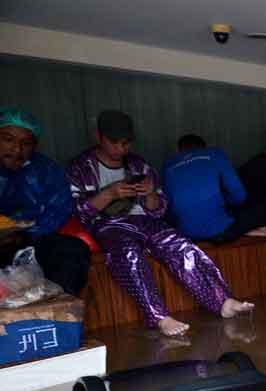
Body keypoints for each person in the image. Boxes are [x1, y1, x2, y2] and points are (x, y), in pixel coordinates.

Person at [66, 110, 253, 337]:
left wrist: (150, 194)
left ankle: (222, 301)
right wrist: (109, 193)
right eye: (113, 143)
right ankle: (159, 316)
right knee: (128, 252)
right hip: (108, 225)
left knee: (179, 243)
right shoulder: (79, 166)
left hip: (143, 220)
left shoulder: (138, 164)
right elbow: (77, 213)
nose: (120, 150)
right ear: (99, 136)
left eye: (125, 144)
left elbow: (160, 209)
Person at [0, 107, 92, 294]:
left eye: (26, 143)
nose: (17, 149)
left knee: (73, 250)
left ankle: (55, 312)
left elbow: (60, 207)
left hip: (29, 239)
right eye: (8, 139)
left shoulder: (45, 169)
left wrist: (27, 233)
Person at [163, 134, 266, 243]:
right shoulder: (215, 154)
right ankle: (243, 230)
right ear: (204, 148)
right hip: (221, 231)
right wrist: (223, 202)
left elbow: (169, 209)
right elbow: (240, 195)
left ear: (178, 150)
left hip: (186, 234)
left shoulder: (168, 165)